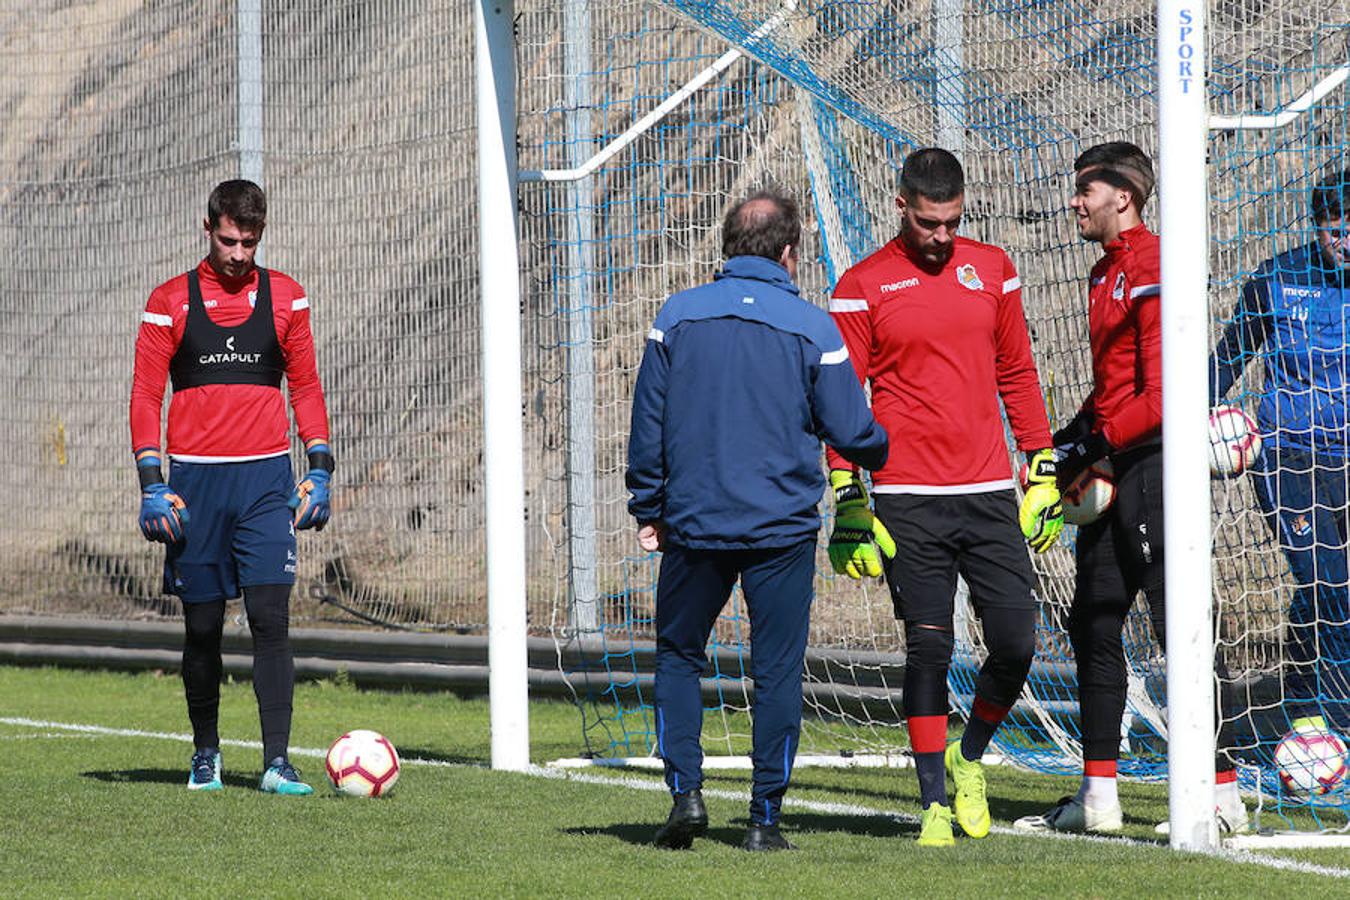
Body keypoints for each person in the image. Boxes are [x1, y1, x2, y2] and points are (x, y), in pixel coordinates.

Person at [626, 188, 889, 852]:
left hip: (695, 524)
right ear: (792, 254)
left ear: (726, 247)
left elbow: (647, 425)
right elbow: (852, 431)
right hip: (780, 529)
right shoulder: (812, 327)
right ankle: (764, 819)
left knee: (681, 656)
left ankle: (686, 796)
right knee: (775, 670)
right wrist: (889, 443)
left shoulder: (676, 317)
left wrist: (647, 507)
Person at [825, 148, 1063, 847]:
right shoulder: (861, 285)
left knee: (1018, 643)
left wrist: (1041, 466)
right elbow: (843, 404)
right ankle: (932, 800)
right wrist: (850, 497)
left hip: (991, 493)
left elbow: (1017, 371)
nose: (941, 236)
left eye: (952, 222)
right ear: (901, 206)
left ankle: (970, 757)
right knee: (929, 649)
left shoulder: (991, 268)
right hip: (907, 498)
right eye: (929, 223)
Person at [1015, 142, 1246, 835]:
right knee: (1095, 623)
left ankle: (1223, 790)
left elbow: (1165, 394)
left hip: (1154, 467)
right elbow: (1116, 390)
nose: (1074, 201)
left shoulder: (1154, 265)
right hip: (1115, 464)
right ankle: (1098, 797)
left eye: (1085, 189)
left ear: (1125, 195)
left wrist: (1092, 444)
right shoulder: (1101, 274)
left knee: (1181, 624)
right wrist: (1066, 442)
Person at [129, 179, 334, 795]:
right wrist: (150, 481)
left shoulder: (287, 298)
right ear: (207, 227)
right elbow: (145, 394)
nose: (239, 253)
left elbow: (305, 386)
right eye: (228, 240)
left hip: (267, 483)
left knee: (272, 618)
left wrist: (320, 466)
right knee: (203, 628)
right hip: (196, 486)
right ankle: (206, 754)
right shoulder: (169, 302)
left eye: (250, 241)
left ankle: (276, 763)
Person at [1210, 168, 1350, 735]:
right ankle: (1337, 726)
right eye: (1336, 230)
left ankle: (1299, 691)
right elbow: (1227, 358)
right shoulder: (1277, 280)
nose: (1346, 242)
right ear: (1318, 227)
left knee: (1330, 587)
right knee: (1328, 579)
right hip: (1288, 456)